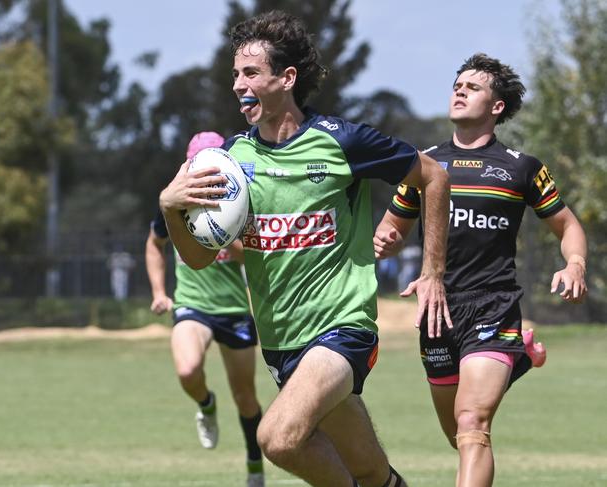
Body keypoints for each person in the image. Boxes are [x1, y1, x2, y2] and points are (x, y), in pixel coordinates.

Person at [159, 11, 452, 487]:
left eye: (250, 73)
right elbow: (197, 258)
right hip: (281, 344)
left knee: (278, 438)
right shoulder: (231, 161)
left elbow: (433, 176)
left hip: (342, 329)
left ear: (286, 78)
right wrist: (171, 209)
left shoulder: (341, 141)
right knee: (372, 472)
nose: (238, 84)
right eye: (235, 74)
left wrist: (433, 270)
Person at [375, 53, 588, 487]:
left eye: (472, 87)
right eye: (457, 85)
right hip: (437, 311)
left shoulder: (521, 167)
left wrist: (576, 263)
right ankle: (519, 358)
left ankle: (510, 350)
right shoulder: (424, 164)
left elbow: (566, 224)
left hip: (493, 305)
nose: (459, 91)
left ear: (496, 107)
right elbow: (391, 227)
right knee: (458, 433)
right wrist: (386, 239)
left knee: (473, 424)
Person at [145, 131, 265, 487]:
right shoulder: (175, 203)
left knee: (246, 398)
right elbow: (154, 244)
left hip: (233, 310)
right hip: (192, 305)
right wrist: (158, 292)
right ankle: (206, 404)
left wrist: (227, 236)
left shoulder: (240, 200)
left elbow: (261, 252)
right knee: (187, 370)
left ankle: (255, 465)